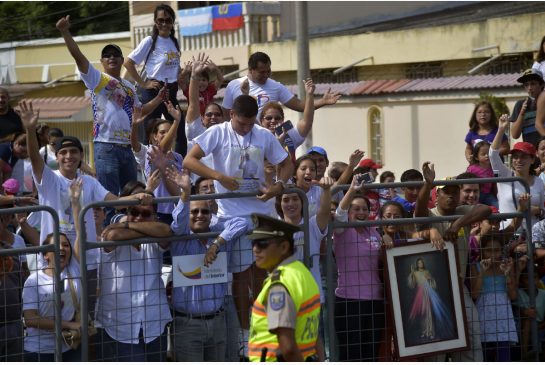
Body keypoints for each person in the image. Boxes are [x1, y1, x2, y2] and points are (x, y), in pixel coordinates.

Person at [183, 94, 293, 346]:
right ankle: (244, 333)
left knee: (266, 275)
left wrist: (278, 185)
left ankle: (270, 328)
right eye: (242, 123)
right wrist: (218, 176)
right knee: (241, 277)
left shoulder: (263, 134)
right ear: (231, 114)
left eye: (250, 123)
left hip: (263, 212)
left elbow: (286, 164)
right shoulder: (217, 133)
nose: (246, 128)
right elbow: (190, 160)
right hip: (232, 215)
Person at [56, 15, 164, 202]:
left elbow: (141, 112)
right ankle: (107, 230)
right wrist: (65, 32)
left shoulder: (130, 87)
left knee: (133, 197)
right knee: (109, 199)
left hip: (127, 148)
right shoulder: (97, 79)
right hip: (105, 147)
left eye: (115, 54)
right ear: (102, 62)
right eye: (107, 55)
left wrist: (159, 99)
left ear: (122, 60)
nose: (111, 57)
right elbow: (78, 57)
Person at [167, 166, 247, 361]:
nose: (200, 215)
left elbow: (244, 223)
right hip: (188, 325)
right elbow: (178, 222)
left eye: (204, 211)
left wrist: (218, 242)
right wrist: (185, 194)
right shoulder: (181, 238)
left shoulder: (218, 234)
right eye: (194, 212)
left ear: (210, 214)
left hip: (218, 321)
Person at [414, 161, 492, 362]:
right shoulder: (430, 215)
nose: (450, 196)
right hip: (433, 289)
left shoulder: (463, 212)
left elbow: (486, 210)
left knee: (472, 335)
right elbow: (419, 211)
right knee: (437, 345)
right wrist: (427, 184)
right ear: (436, 195)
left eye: (454, 192)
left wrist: (457, 224)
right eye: (445, 192)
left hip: (458, 287)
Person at [96, 196, 172, 361]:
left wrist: (128, 224)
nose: (138, 217)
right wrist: (142, 227)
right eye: (134, 212)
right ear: (127, 212)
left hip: (154, 322)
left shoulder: (154, 239)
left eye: (145, 214)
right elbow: (112, 235)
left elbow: (166, 231)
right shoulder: (113, 234)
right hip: (120, 325)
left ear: (155, 217)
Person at [22, 179, 84, 361]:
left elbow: (80, 233)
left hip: (71, 348)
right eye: (56, 245)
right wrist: (69, 325)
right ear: (46, 254)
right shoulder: (34, 280)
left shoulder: (74, 268)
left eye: (66, 245)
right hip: (40, 352)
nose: (63, 248)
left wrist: (75, 201)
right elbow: (31, 319)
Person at [247, 213, 320, 362]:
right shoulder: (301, 271)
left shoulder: (279, 285)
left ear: (284, 247)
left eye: (262, 243)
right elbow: (315, 336)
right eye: (253, 243)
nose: (255, 249)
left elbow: (288, 348)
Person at [333, 174, 386, 361]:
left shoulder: (375, 232)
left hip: (375, 301)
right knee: (351, 354)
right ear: (349, 212)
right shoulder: (342, 230)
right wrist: (351, 191)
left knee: (371, 353)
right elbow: (338, 214)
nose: (361, 212)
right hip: (348, 301)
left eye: (365, 209)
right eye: (356, 209)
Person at [123, 4, 186, 155]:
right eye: (160, 20)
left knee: (179, 127)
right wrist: (143, 83)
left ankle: (180, 164)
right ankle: (148, 167)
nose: (164, 24)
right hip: (153, 90)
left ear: (172, 22)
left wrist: (184, 74)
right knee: (149, 131)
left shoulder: (174, 41)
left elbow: (173, 69)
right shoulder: (150, 41)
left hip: (171, 90)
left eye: (168, 20)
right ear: (155, 22)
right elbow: (128, 62)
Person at [222, 51, 340, 119]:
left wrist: (322, 102)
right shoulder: (234, 85)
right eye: (262, 72)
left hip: (267, 139)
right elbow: (226, 114)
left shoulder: (276, 87)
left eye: (268, 71)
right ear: (251, 70)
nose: (266, 75)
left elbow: (300, 105)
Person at [470, 235, 518, 361]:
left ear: (501, 251)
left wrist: (507, 275)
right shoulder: (476, 267)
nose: (492, 254)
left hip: (504, 322)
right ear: (482, 251)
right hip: (484, 320)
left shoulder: (507, 266)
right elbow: (474, 295)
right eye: (488, 250)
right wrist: (482, 273)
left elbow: (513, 296)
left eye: (496, 250)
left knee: (504, 358)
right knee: (485, 357)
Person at [491, 115, 545, 229]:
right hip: (509, 234)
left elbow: (542, 212)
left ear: (532, 159)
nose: (518, 160)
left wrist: (537, 210)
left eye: (524, 157)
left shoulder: (539, 182)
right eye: (515, 156)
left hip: (533, 237)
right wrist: (501, 129)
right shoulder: (505, 175)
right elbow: (493, 154)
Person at [258, 78, 316, 161]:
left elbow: (307, 122)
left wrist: (309, 95)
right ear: (261, 121)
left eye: (277, 118)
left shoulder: (289, 135)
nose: (273, 121)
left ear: (282, 120)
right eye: (269, 118)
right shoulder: (255, 136)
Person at [408, 257, 454, 342]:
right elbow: (412, 284)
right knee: (422, 313)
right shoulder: (415, 273)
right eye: (419, 263)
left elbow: (432, 283)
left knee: (428, 312)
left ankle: (430, 332)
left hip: (428, 293)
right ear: (417, 264)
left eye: (421, 263)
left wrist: (430, 279)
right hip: (420, 294)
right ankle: (424, 331)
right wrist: (411, 273)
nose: (420, 264)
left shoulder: (427, 272)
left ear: (423, 264)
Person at [510, 69, 544, 147]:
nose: (529, 88)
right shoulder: (520, 104)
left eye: (533, 84)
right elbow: (515, 134)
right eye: (526, 84)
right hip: (530, 153)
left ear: (542, 84)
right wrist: (522, 112)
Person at [466, 141, 498, 206]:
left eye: (489, 153)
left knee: (497, 205)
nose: (487, 156)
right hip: (475, 194)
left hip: (488, 195)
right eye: (483, 154)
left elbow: (494, 185)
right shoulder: (472, 168)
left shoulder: (493, 169)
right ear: (476, 157)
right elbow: (466, 180)